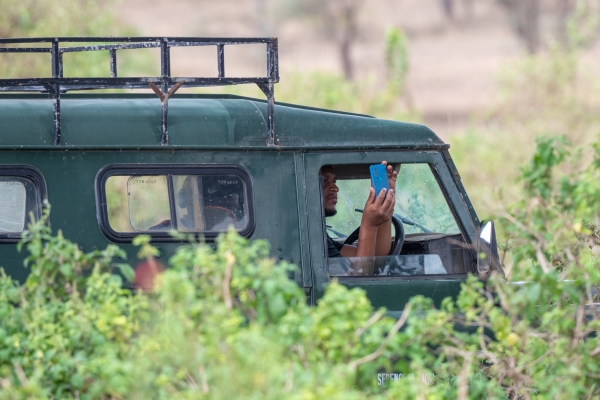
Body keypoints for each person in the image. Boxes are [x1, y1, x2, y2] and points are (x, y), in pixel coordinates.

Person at [321, 162, 397, 258]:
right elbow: (362, 271)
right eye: (324, 181)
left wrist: (384, 206)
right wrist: (369, 225)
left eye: (334, 182)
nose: (336, 188)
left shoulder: (322, 237)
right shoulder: (309, 238)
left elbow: (377, 259)